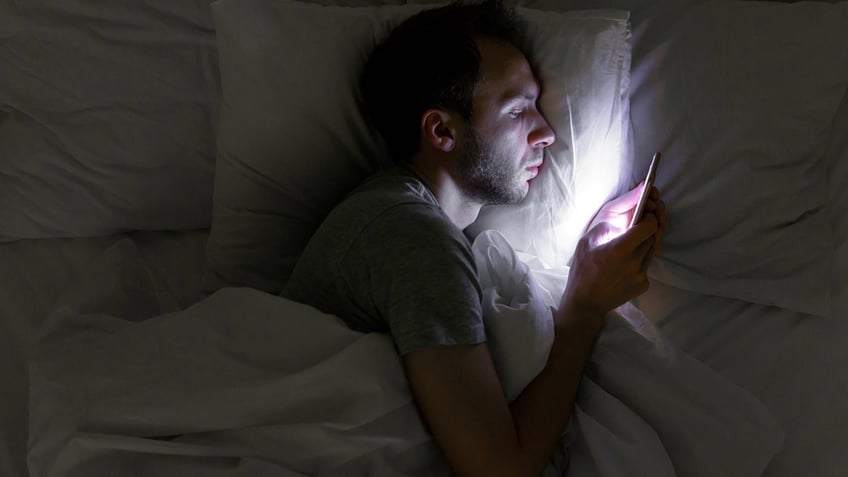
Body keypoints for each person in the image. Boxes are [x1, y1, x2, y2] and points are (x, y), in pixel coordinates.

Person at [282, 1, 667, 476]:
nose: (546, 133)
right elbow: (500, 471)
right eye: (519, 110)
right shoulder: (413, 236)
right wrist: (584, 308)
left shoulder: (398, 218)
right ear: (442, 130)